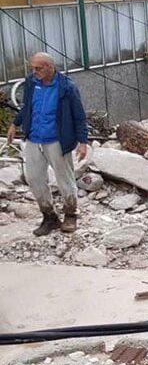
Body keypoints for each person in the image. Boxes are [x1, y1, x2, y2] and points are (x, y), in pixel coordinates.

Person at [5, 52, 89, 236]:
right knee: (34, 178)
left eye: (38, 68)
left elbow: (79, 116)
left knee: (64, 179)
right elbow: (28, 106)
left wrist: (83, 141)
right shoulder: (31, 82)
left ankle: (70, 214)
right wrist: (15, 123)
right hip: (34, 138)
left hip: (57, 140)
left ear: (51, 67)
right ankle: (49, 216)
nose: (35, 72)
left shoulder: (67, 87)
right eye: (33, 68)